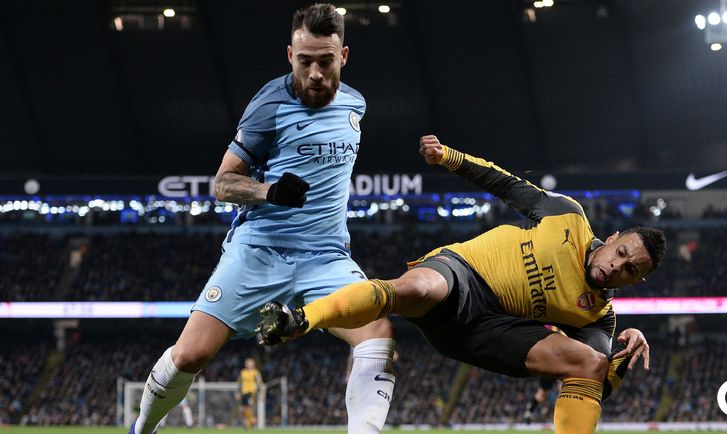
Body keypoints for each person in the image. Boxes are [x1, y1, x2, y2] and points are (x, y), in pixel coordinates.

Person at [257, 135, 666, 434]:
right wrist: (449, 157)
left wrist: (621, 358)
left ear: (637, 281)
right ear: (613, 238)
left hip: (491, 331)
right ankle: (299, 319)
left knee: (589, 361)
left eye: (630, 270)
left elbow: (595, 384)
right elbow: (505, 184)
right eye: (621, 253)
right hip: (463, 275)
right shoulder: (568, 217)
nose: (617, 266)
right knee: (418, 289)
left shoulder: (597, 317)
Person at [129, 5, 395, 433]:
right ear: (290, 55)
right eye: (304, 61)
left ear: (343, 56)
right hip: (259, 251)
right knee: (191, 355)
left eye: (325, 61)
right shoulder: (269, 104)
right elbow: (222, 183)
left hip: (327, 258)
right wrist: (268, 191)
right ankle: (142, 428)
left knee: (377, 334)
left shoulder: (356, 105)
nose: (314, 73)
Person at [238, 358, 263, 429]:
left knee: (249, 407)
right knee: (242, 409)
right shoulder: (243, 372)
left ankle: (250, 422)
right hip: (243, 392)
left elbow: (259, 383)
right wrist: (238, 392)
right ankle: (250, 420)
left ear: (253, 364)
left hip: (251, 392)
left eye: (250, 364)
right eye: (247, 363)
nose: (248, 365)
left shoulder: (256, 372)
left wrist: (261, 392)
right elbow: (239, 382)